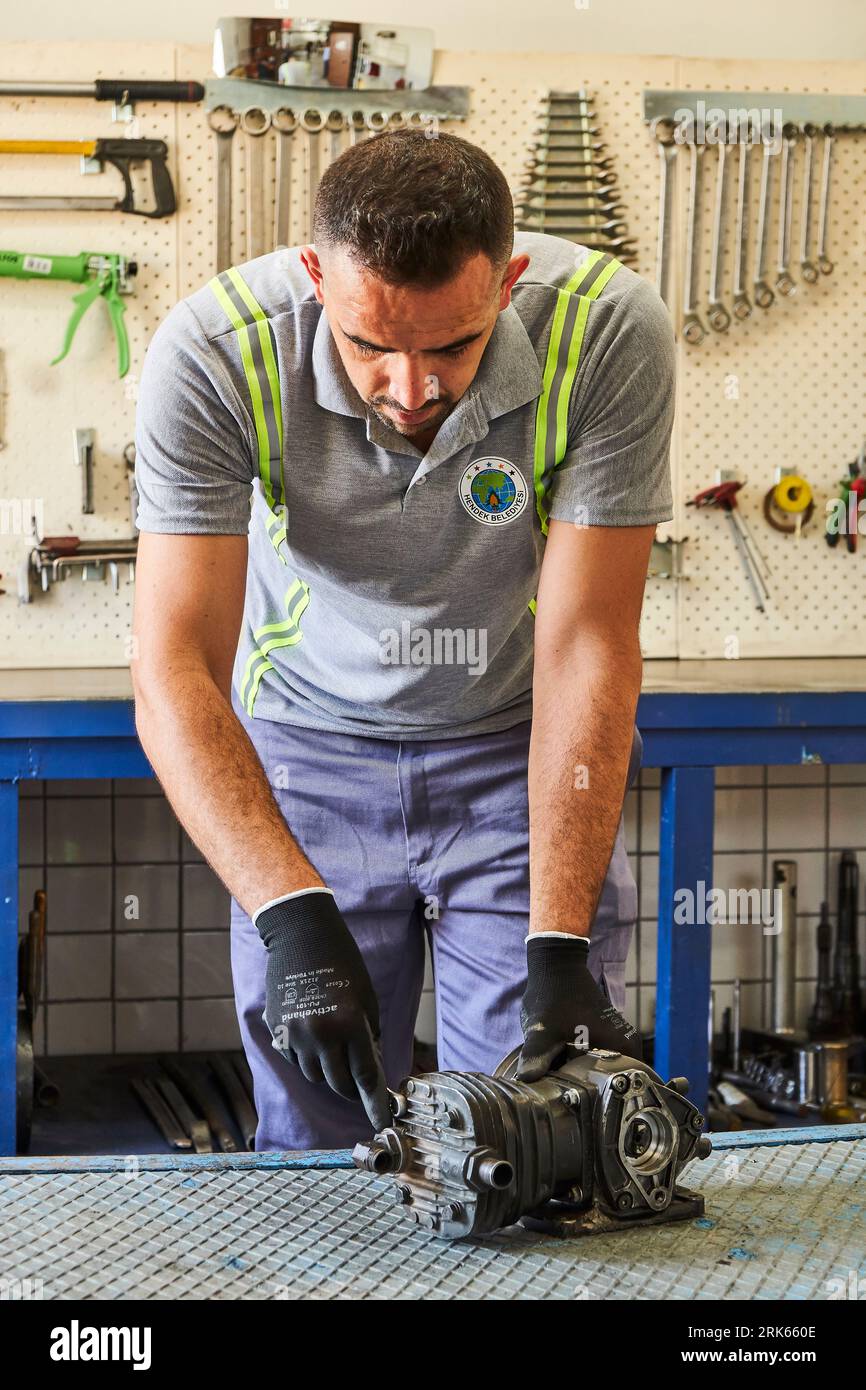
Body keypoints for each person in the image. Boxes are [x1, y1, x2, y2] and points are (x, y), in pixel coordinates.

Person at [132, 129, 674, 1148]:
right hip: (305, 750)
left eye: (451, 347)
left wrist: (558, 941)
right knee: (321, 1143)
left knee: (534, 1127)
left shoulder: (607, 333)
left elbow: (588, 642)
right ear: (312, 278)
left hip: (513, 753)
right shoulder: (213, 350)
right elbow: (174, 666)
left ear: (507, 284)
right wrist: (288, 913)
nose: (411, 389)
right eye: (369, 344)